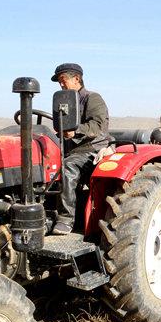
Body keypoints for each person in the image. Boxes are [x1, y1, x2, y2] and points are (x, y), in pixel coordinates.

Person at [50, 63, 112, 235]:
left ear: (76, 79)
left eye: (63, 80)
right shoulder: (65, 103)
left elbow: (98, 125)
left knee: (67, 167)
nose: (61, 85)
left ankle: (65, 220)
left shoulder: (92, 98)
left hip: (91, 148)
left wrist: (75, 131)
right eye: (59, 82)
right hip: (70, 149)